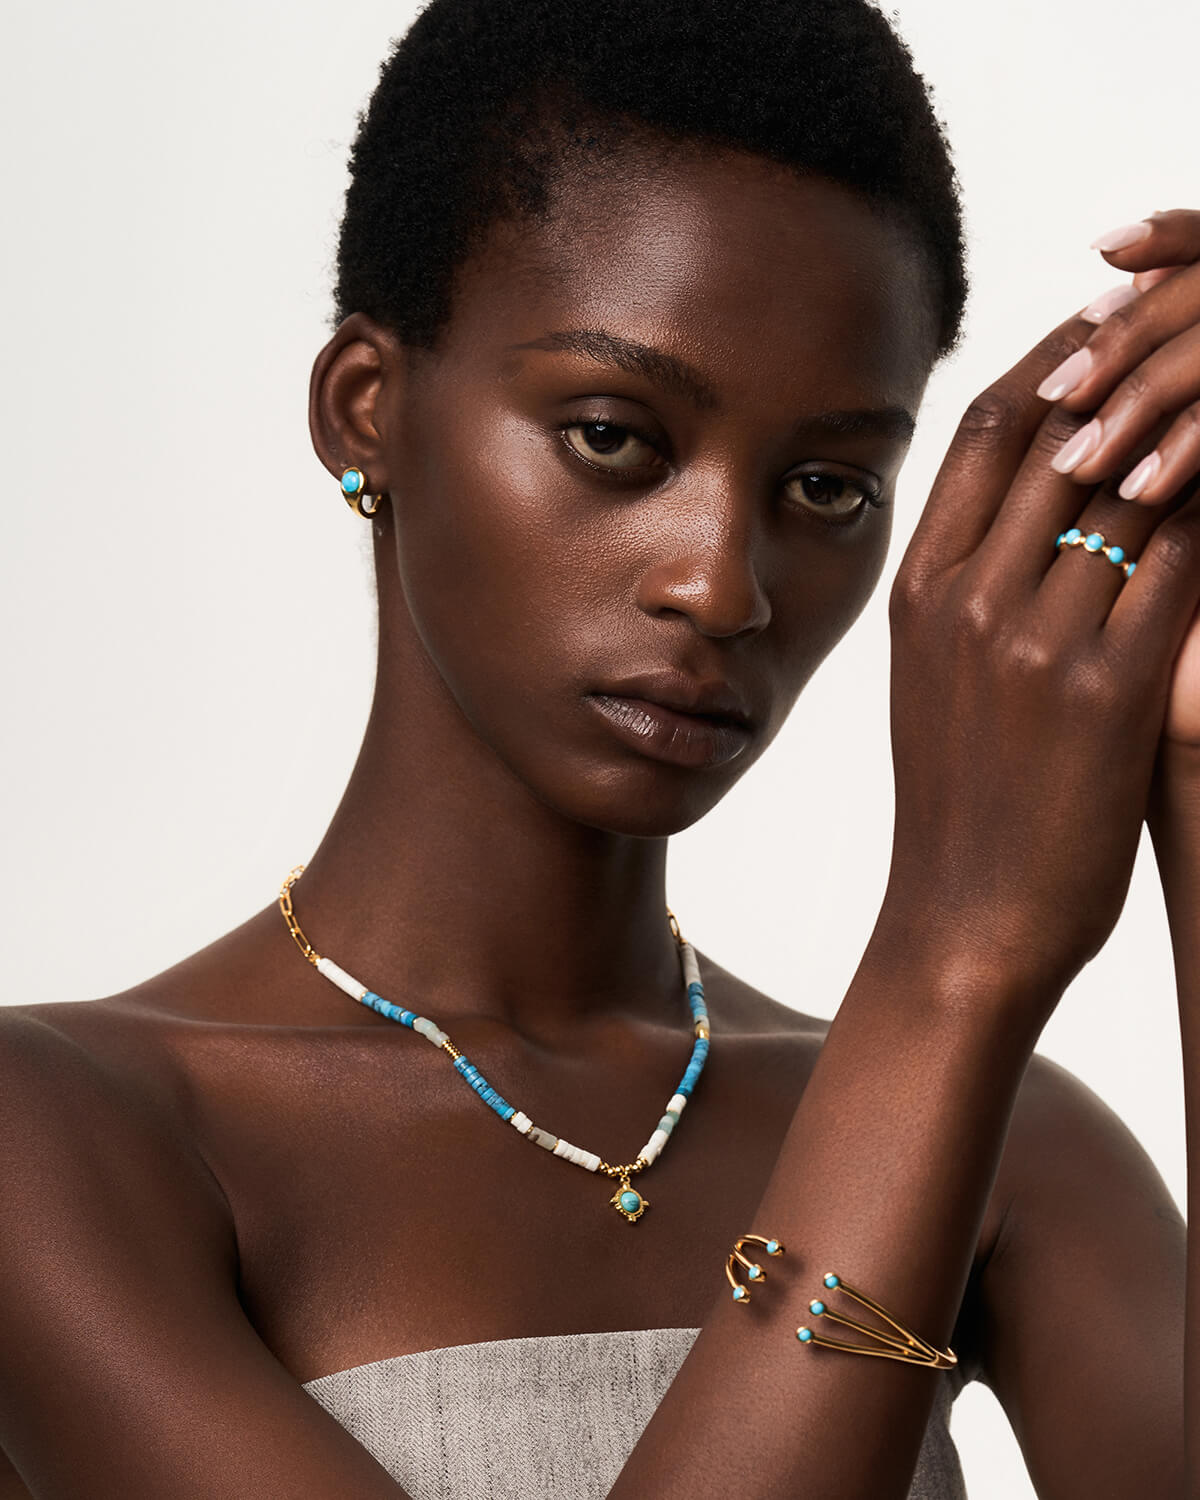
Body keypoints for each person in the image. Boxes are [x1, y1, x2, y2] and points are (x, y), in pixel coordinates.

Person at [1, 0, 1195, 1494]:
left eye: (827, 484)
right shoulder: (57, 1136)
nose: (722, 582)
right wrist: (952, 960)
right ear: (367, 411)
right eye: (617, 435)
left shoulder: (1011, 1147)